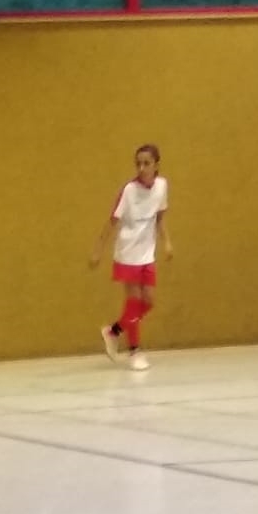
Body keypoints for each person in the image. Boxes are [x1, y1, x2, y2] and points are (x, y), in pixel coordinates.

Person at [90, 144, 172, 371]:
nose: (142, 168)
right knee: (134, 302)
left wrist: (166, 241)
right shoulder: (128, 190)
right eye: (138, 164)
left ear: (156, 165)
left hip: (147, 253)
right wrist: (98, 249)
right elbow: (112, 222)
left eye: (147, 163)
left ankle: (113, 331)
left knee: (148, 302)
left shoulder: (162, 186)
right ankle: (135, 351)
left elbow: (160, 217)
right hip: (127, 253)